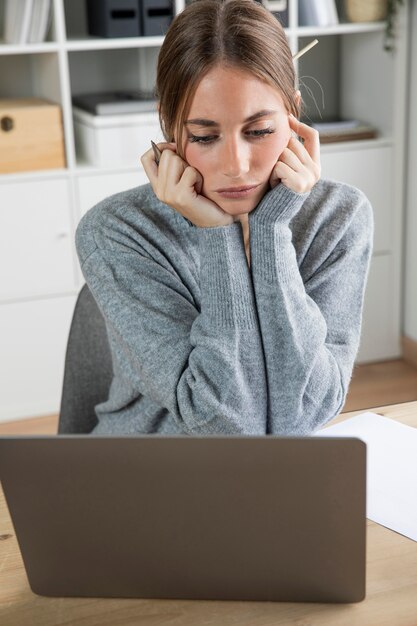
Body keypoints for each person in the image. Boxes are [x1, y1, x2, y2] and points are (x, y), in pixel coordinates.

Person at [75, 0, 373, 435]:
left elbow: (308, 413)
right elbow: (226, 426)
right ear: (170, 130)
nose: (236, 165)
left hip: (272, 482)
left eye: (259, 131)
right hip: (143, 475)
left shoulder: (339, 218)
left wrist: (271, 231)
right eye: (203, 136)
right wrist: (219, 235)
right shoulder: (117, 231)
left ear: (294, 115)